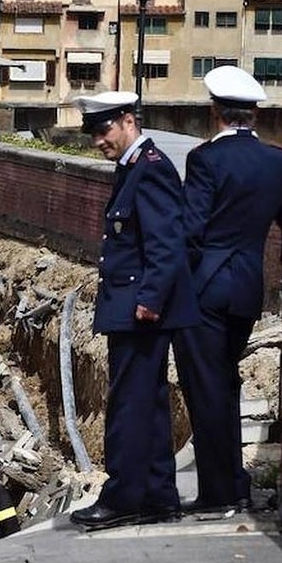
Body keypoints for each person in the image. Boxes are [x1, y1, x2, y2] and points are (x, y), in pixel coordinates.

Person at [173, 66, 282, 514]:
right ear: (252, 114)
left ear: (216, 112)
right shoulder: (278, 161)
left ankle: (220, 492)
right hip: (247, 289)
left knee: (205, 388)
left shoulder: (205, 159)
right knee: (225, 384)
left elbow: (192, 230)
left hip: (205, 289)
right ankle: (233, 482)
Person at [69, 91, 200, 529]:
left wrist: (149, 301)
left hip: (140, 310)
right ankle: (160, 495)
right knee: (149, 403)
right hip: (132, 304)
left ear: (128, 121)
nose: (98, 142)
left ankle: (123, 497)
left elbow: (166, 243)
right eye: (93, 133)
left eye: (103, 130)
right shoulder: (133, 169)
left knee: (128, 404)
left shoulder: (151, 170)